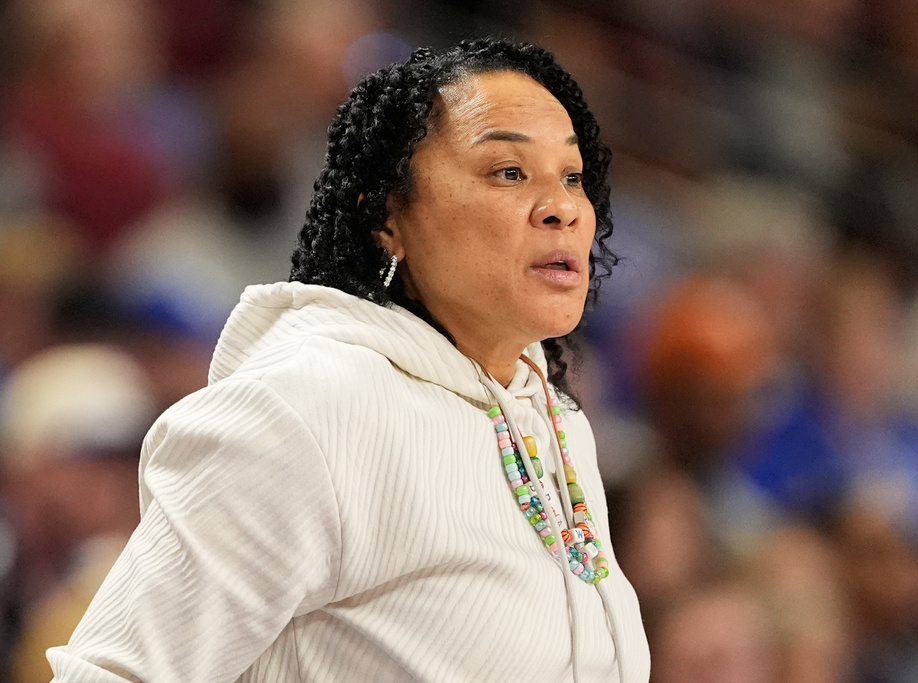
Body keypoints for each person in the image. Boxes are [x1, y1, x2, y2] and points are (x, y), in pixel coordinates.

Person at [46, 38, 650, 682]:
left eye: (572, 177)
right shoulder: (306, 408)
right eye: (508, 171)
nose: (560, 208)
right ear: (388, 217)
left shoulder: (556, 423)